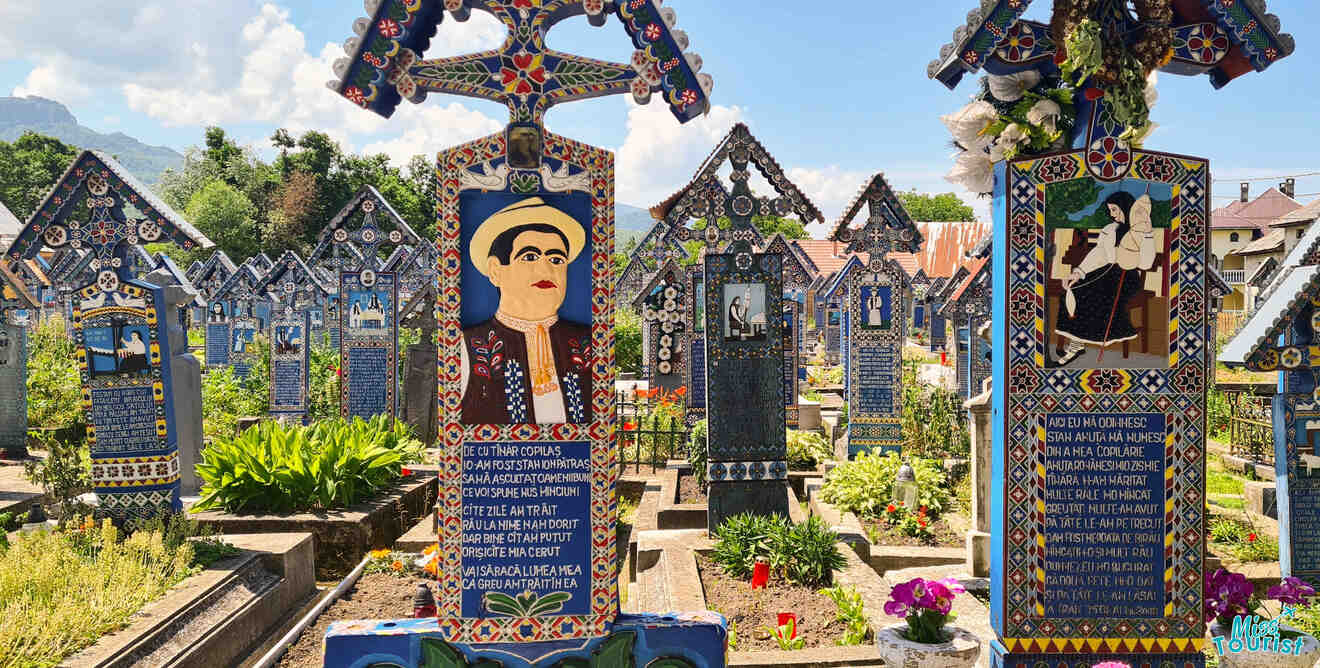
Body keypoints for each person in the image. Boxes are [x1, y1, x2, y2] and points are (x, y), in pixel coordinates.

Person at [460, 197, 590, 424]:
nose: (546, 268)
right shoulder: (467, 345)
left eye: (557, 259)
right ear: (495, 270)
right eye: (530, 257)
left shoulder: (588, 342)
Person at [1054, 190, 1157, 367]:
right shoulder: (1109, 230)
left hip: (1128, 277)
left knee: (1093, 295)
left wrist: (1147, 235)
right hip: (1106, 273)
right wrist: (1078, 272)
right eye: (1110, 210)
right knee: (1075, 289)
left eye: (1115, 210)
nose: (1112, 214)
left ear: (1126, 208)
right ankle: (1077, 344)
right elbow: (1098, 254)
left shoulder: (1142, 230)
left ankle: (1078, 344)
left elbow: (1147, 263)